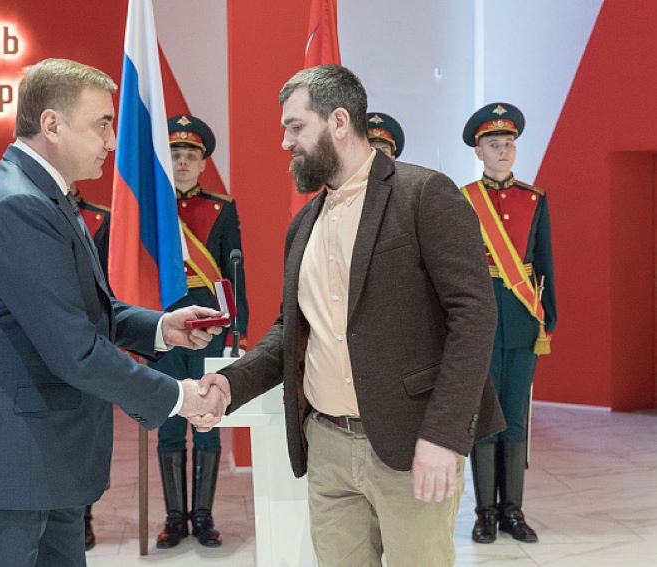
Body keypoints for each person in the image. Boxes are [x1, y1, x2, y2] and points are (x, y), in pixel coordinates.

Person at [198, 64, 505, 567]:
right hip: (327, 448)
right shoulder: (303, 224)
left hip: (413, 445)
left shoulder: (424, 193)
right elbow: (290, 330)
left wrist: (444, 435)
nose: (285, 142)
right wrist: (230, 384)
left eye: (296, 126)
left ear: (339, 121)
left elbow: (473, 316)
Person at [0, 58, 227, 567]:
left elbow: (85, 309)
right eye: (101, 125)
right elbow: (74, 348)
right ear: (52, 124)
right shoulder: (17, 203)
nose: (111, 141)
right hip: (4, 468)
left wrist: (161, 327)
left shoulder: (45, 194)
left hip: (45, 459)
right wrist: (178, 396)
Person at [460, 102, 556, 544]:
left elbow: (545, 261)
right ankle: (484, 514)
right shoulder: (463, 200)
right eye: (494, 144)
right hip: (480, 320)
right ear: (478, 151)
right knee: (485, 416)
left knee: (515, 417)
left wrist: (547, 316)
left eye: (509, 144)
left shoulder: (534, 199)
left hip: (521, 319)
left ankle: (512, 511)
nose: (503, 151)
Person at [153, 114, 248, 549]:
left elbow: (234, 272)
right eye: (175, 154)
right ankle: (175, 518)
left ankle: (204, 517)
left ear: (203, 162)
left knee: (208, 422)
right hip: (163, 330)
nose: (183, 162)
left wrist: (238, 331)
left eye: (191, 155)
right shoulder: (151, 208)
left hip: (210, 330)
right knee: (170, 424)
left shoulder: (220, 208)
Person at [72, 185, 111, 550]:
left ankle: (83, 516)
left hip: (93, 340)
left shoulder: (101, 219)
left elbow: (109, 291)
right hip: (52, 341)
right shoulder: (25, 209)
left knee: (90, 431)